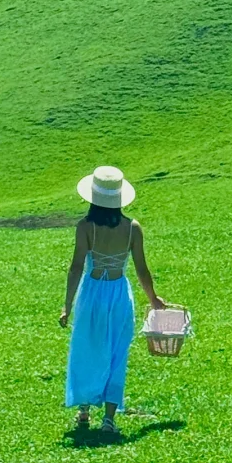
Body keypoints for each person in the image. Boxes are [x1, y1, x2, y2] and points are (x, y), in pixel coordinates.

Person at [59, 165, 166, 436]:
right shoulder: (132, 228)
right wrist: (153, 298)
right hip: (119, 294)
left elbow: (76, 267)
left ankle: (84, 410)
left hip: (92, 292)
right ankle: (108, 419)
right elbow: (142, 269)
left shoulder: (85, 227)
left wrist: (67, 305)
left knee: (87, 347)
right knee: (117, 352)